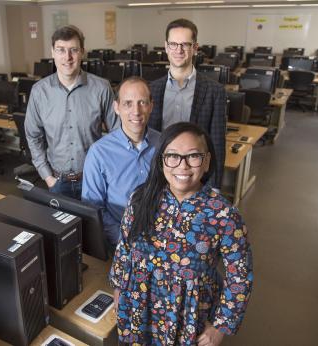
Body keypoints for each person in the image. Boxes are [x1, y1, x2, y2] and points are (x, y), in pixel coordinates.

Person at [109, 122, 253, 345]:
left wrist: (220, 326)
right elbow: (124, 247)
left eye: (193, 156)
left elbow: (240, 277)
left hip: (187, 320)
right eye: (173, 156)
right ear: (161, 161)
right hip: (139, 307)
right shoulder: (141, 199)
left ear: (206, 162)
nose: (182, 166)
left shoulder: (224, 215)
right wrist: (119, 288)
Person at [25, 25, 119, 199]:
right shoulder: (39, 91)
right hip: (57, 182)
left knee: (96, 226)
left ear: (82, 52)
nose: (67, 57)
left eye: (73, 50)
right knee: (64, 226)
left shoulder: (101, 87)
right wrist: (47, 177)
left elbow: (117, 133)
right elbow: (33, 136)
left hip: (94, 178)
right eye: (61, 50)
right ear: (52, 52)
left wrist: (109, 171)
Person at [82, 77, 160, 253]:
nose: (136, 111)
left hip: (162, 239)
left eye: (142, 102)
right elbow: (94, 208)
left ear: (151, 106)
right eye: (128, 103)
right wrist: (125, 241)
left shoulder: (164, 144)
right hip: (122, 244)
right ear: (116, 107)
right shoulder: (99, 153)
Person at [148, 18, 226, 190]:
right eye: (174, 44)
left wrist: (215, 188)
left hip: (195, 176)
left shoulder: (214, 91)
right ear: (166, 47)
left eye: (185, 44)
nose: (179, 50)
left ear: (195, 48)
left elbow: (217, 144)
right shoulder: (152, 89)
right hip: (158, 175)